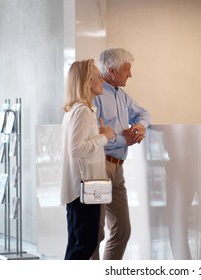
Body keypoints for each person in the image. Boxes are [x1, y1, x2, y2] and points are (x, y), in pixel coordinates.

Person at [91, 48, 151, 260]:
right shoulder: (95, 96)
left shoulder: (122, 96)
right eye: (127, 70)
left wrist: (141, 127)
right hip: (99, 167)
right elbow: (92, 139)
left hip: (118, 169)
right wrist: (122, 140)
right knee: (94, 234)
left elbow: (144, 113)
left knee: (122, 230)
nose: (130, 75)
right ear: (111, 70)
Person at [60, 59, 114, 260]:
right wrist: (104, 137)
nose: (102, 80)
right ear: (86, 81)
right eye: (98, 76)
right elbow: (76, 149)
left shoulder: (79, 110)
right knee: (85, 244)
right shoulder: (82, 111)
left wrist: (98, 136)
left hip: (81, 190)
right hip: (82, 191)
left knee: (78, 243)